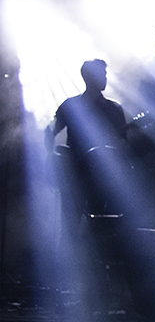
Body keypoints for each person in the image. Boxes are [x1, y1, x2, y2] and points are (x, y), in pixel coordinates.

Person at [46, 59, 128, 216]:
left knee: (99, 220)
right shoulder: (71, 106)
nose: (105, 78)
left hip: (103, 177)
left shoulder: (114, 109)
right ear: (89, 77)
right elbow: (50, 131)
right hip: (75, 175)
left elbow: (123, 144)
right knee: (71, 219)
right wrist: (54, 158)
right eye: (102, 74)